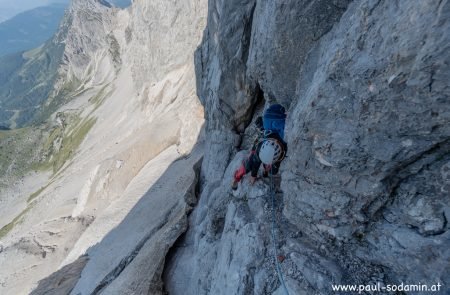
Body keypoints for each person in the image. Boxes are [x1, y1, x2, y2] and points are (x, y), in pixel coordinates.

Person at [232, 104, 288, 190]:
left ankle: (262, 129)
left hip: (271, 121)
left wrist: (268, 168)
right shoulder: (259, 148)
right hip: (269, 122)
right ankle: (237, 177)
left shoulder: (284, 146)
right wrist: (253, 175)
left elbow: (274, 167)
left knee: (273, 171)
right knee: (249, 164)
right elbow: (255, 162)